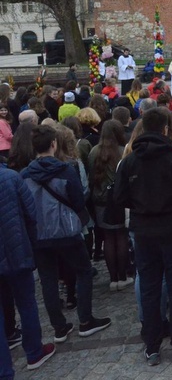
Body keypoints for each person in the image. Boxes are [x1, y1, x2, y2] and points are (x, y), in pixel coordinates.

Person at [113, 108, 172, 365]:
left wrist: (142, 203)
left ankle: (152, 346)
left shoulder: (131, 160)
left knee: (150, 288)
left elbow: (119, 198)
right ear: (165, 129)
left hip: (144, 231)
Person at [21, 125, 112, 343]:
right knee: (83, 271)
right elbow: (78, 200)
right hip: (66, 230)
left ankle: (59, 327)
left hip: (40, 234)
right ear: (54, 144)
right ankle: (85, 319)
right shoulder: (64, 170)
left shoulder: (24, 175)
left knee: (48, 280)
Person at [0, 161, 57, 377]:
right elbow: (30, 214)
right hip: (17, 251)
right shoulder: (11, 177)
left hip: (15, 250)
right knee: (26, 302)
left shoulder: (12, 177)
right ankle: (33, 351)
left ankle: (4, 371)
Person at [88, 120, 131, 291]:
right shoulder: (122, 152)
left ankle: (113, 278)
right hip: (119, 200)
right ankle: (122, 275)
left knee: (108, 237)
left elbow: (91, 177)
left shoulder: (93, 152)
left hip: (100, 199)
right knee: (120, 236)